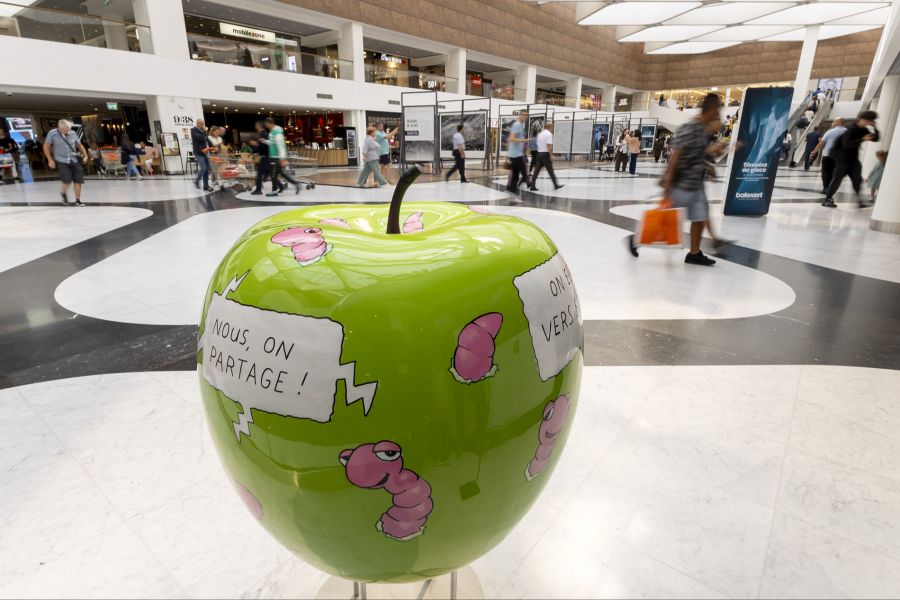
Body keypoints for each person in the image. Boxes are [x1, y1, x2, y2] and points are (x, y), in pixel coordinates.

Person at [661, 93, 731, 266]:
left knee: (700, 218)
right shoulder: (691, 127)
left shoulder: (701, 129)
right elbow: (676, 155)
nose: (719, 115)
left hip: (696, 184)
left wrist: (709, 166)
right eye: (718, 110)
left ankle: (694, 253)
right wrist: (668, 182)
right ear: (712, 109)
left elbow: (698, 154)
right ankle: (637, 240)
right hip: (682, 184)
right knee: (662, 220)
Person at [822, 110, 879, 209]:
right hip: (842, 158)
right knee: (837, 179)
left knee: (857, 179)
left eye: (871, 121)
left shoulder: (864, 130)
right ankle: (827, 199)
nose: (869, 123)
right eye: (869, 120)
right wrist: (862, 139)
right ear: (862, 119)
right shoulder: (851, 129)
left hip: (853, 159)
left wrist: (875, 128)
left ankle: (860, 201)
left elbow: (875, 138)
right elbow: (846, 144)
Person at [43, 119, 88, 206]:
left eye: (68, 129)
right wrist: (50, 160)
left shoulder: (73, 133)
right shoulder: (52, 133)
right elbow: (46, 146)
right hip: (61, 160)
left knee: (78, 180)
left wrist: (85, 155)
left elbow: (79, 145)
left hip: (74, 159)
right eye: (64, 130)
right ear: (59, 128)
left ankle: (78, 200)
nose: (67, 132)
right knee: (67, 180)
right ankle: (63, 192)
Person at [264, 117, 301, 196]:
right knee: (280, 174)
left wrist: (282, 158)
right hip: (274, 156)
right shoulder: (272, 131)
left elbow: (280, 145)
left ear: (270, 123)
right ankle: (295, 184)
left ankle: (274, 191)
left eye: (267, 125)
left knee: (273, 174)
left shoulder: (277, 131)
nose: (266, 126)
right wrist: (265, 141)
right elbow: (272, 143)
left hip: (276, 157)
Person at [810, 118, 846, 193]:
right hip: (840, 157)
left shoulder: (830, 132)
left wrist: (813, 152)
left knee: (826, 172)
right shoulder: (847, 132)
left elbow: (821, 143)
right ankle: (831, 188)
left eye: (833, 121)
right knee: (835, 173)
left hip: (828, 155)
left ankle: (826, 188)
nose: (832, 123)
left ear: (839, 123)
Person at [529, 122, 563, 191]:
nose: (552, 128)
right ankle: (556, 185)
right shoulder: (549, 134)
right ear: (550, 127)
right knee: (550, 171)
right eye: (552, 127)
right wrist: (551, 155)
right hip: (545, 155)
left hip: (539, 154)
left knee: (536, 171)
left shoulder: (540, 134)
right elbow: (549, 146)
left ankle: (532, 186)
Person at [250, 120, 279, 195]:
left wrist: (257, 145)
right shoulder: (261, 134)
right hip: (266, 157)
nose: (255, 127)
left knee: (260, 174)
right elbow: (261, 146)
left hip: (266, 157)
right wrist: (252, 152)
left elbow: (267, 146)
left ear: (260, 126)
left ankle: (258, 190)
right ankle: (280, 186)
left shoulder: (265, 134)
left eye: (256, 125)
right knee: (270, 173)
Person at [505, 111, 529, 199]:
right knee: (524, 175)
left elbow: (509, 139)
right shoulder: (517, 125)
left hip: (515, 155)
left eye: (526, 115)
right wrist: (525, 141)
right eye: (523, 115)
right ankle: (514, 190)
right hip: (517, 155)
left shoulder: (518, 125)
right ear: (520, 115)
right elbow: (512, 138)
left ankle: (511, 192)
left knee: (515, 175)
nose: (525, 117)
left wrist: (508, 152)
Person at [191, 118, 213, 191]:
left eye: (203, 124)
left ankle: (206, 186)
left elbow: (207, 139)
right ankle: (196, 181)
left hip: (205, 152)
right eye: (202, 124)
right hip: (199, 152)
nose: (203, 125)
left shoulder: (203, 131)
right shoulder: (193, 130)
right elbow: (200, 138)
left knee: (206, 169)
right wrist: (204, 131)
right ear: (198, 123)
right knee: (204, 168)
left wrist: (212, 146)